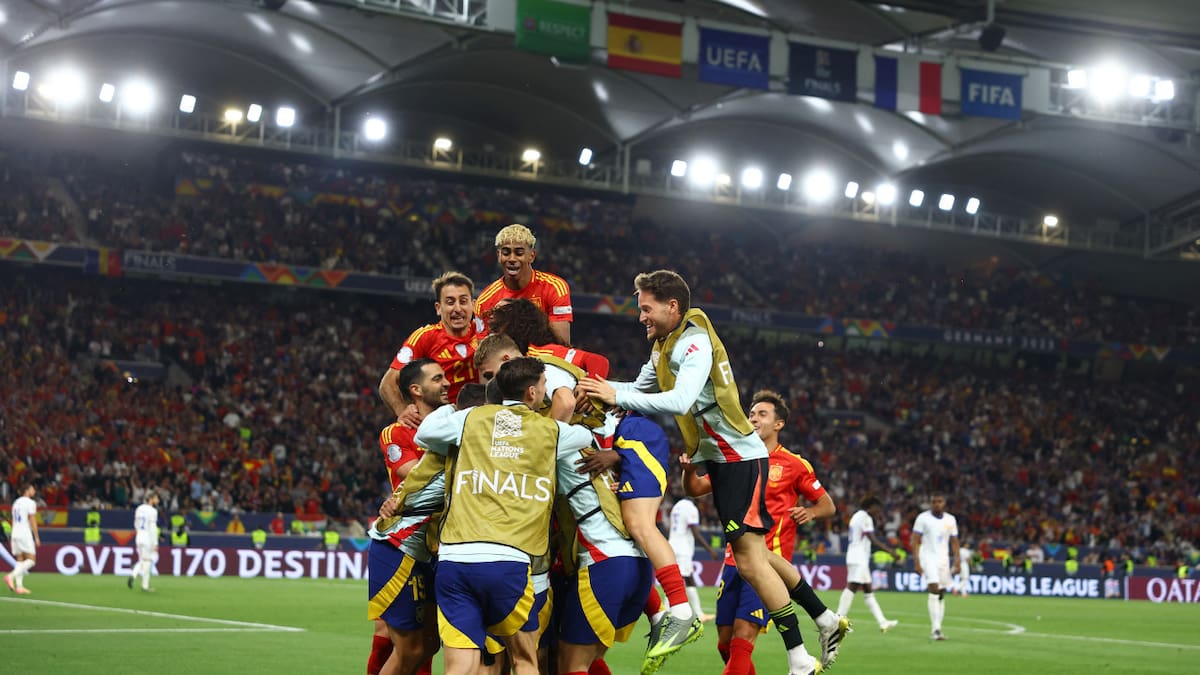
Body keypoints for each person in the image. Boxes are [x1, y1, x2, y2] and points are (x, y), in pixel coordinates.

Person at [576, 271, 842, 675]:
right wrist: (589, 385)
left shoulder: (694, 342)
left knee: (753, 561)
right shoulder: (663, 347)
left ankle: (801, 657)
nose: (641, 317)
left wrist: (614, 394)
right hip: (723, 460)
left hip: (739, 458)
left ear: (672, 307)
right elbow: (636, 388)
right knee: (756, 557)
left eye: (646, 309)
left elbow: (680, 398)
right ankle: (820, 626)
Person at [414, 357, 594, 675]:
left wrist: (451, 410)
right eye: (542, 387)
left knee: (460, 665)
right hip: (507, 562)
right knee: (524, 659)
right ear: (532, 394)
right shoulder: (549, 431)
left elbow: (424, 435)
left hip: (455, 559)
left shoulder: (471, 419)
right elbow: (584, 438)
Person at [683, 390, 837, 675]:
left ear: (779, 424)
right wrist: (689, 468)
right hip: (733, 561)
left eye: (762, 414)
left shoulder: (794, 464)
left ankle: (804, 655)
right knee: (725, 644)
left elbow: (827, 505)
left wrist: (811, 512)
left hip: (769, 562)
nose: (753, 418)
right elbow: (695, 489)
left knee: (743, 637)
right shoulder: (734, 459)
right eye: (751, 413)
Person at [367, 359, 449, 675]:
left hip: (435, 548)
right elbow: (415, 475)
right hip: (404, 543)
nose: (445, 384)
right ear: (415, 390)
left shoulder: (453, 423)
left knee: (429, 644)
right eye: (437, 378)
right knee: (408, 645)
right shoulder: (396, 432)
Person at [379, 271, 484, 421]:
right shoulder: (425, 337)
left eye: (463, 301)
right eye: (450, 302)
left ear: (473, 305)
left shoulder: (484, 332)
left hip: (478, 420)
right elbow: (388, 384)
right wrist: (402, 411)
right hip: (441, 423)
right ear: (438, 308)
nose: (457, 308)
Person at [475, 224, 573, 344]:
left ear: (531, 256)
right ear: (498, 256)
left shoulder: (555, 288)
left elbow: (563, 344)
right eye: (506, 253)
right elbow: (484, 354)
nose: (512, 259)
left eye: (519, 253)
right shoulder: (484, 301)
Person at [836, 495, 899, 632]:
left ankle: (883, 622)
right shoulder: (865, 517)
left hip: (859, 557)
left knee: (868, 591)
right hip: (858, 558)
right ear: (871, 506)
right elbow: (873, 539)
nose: (878, 512)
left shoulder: (857, 516)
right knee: (852, 587)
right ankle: (837, 621)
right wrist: (891, 552)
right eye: (877, 509)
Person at [911, 492, 960, 641]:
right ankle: (936, 629)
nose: (937, 504)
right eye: (934, 501)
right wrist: (917, 562)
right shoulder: (922, 518)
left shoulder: (951, 520)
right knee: (933, 589)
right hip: (928, 558)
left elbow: (954, 542)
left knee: (941, 593)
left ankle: (938, 627)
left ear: (944, 503)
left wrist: (957, 560)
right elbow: (915, 541)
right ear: (930, 503)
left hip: (943, 560)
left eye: (939, 501)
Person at [667, 495, 715, 621]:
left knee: (677, 579)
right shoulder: (690, 508)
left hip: (672, 544)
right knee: (685, 579)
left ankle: (667, 611)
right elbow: (695, 532)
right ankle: (698, 614)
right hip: (683, 548)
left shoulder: (676, 506)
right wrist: (710, 550)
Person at [5, 483, 39, 595]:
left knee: (20, 560)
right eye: (32, 489)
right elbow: (32, 520)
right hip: (24, 533)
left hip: (15, 533)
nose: (34, 491)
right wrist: (36, 537)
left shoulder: (16, 502)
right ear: (27, 491)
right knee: (31, 561)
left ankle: (19, 587)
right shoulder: (30, 503)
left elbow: (14, 520)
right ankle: (11, 576)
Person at [129, 491, 160, 592]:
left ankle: (137, 577)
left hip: (139, 536)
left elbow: (136, 523)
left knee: (143, 559)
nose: (158, 500)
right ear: (151, 499)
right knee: (147, 561)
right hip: (147, 538)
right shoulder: (153, 511)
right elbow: (153, 528)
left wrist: (139, 533)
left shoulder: (139, 508)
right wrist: (155, 542)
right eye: (156, 498)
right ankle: (142, 583)